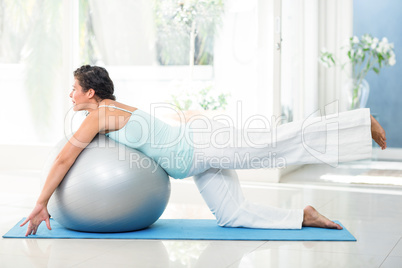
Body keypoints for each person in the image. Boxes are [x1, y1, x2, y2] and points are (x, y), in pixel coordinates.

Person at [20, 65, 387, 236]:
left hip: (202, 146)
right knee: (232, 214)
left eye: (74, 88)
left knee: (277, 143)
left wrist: (40, 202)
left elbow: (65, 157)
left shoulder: (100, 114)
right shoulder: (110, 112)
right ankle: (302, 217)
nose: (70, 94)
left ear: (90, 93)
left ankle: (358, 123)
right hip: (195, 159)